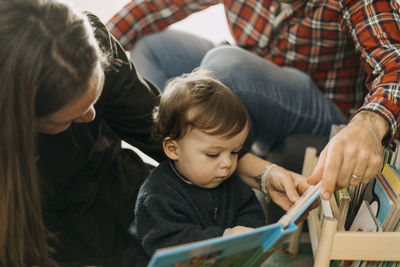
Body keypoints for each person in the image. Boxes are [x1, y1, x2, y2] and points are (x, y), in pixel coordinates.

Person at [0, 0, 314, 266]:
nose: (92, 115)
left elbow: (165, 127)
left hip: (113, 186)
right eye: (69, 118)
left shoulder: (87, 42)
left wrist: (266, 174)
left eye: (95, 97)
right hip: (43, 226)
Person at [107, 0, 399, 200]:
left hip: (322, 106)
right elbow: (153, 7)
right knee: (152, 48)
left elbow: (393, 65)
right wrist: (89, 55)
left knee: (225, 66)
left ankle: (220, 192)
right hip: (254, 71)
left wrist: (369, 125)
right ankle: (188, 162)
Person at [125, 68, 266, 267]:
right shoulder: (156, 195)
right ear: (173, 149)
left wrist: (246, 231)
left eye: (234, 152)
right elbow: (169, 244)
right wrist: (222, 239)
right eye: (213, 154)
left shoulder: (229, 180)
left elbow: (250, 210)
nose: (227, 163)